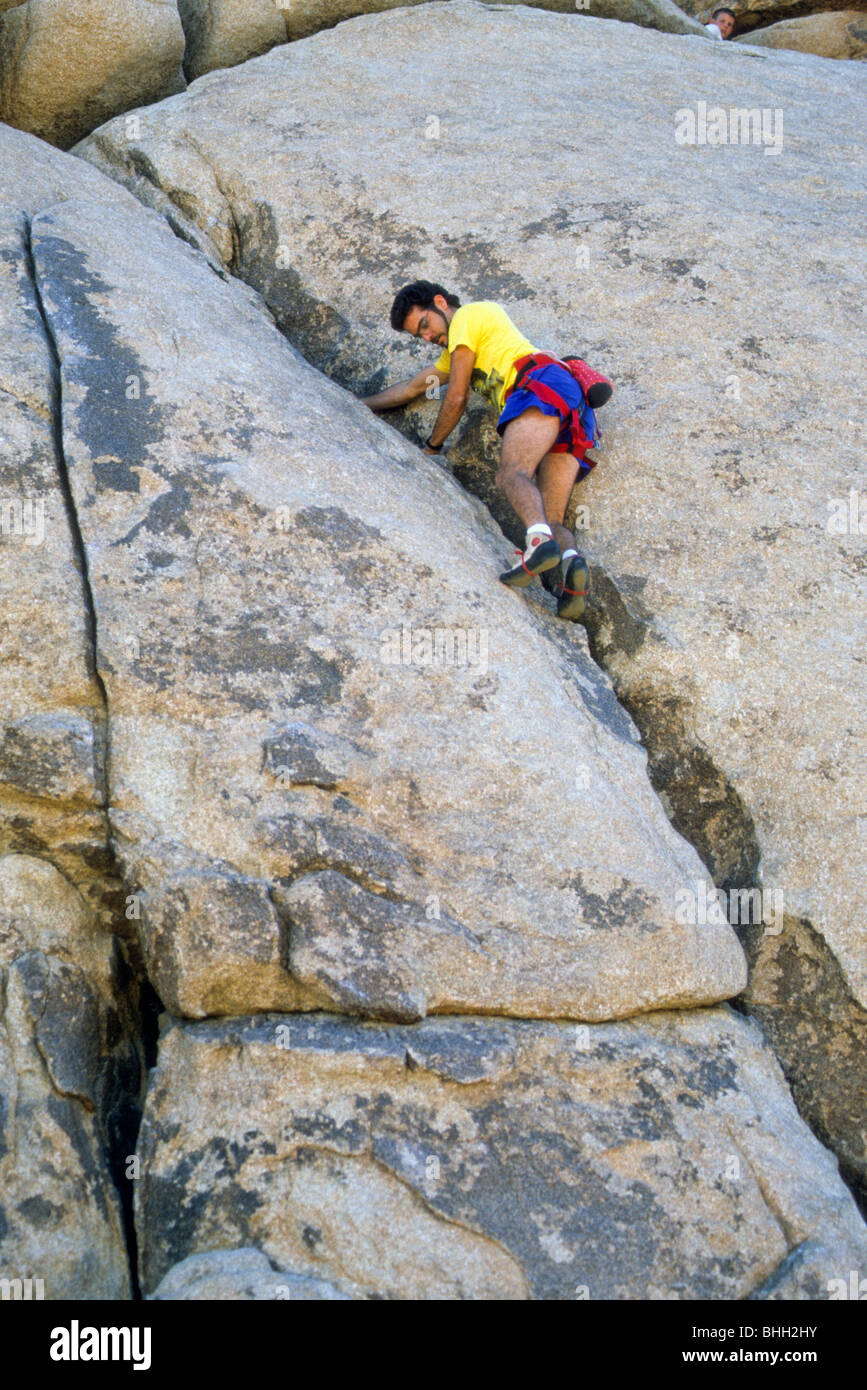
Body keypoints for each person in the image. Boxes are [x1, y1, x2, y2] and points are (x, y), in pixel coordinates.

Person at [360, 282, 613, 622]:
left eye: (425, 325)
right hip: (571, 406)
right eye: (418, 336)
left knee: (511, 474)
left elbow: (457, 396)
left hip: (538, 384)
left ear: (440, 303)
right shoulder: (457, 352)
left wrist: (432, 449)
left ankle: (537, 545)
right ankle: (571, 567)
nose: (426, 337)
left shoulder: (467, 316)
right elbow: (412, 388)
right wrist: (358, 404)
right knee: (553, 519)